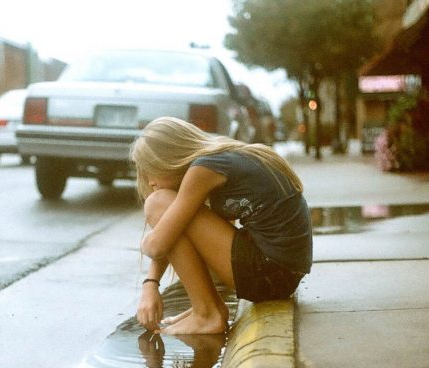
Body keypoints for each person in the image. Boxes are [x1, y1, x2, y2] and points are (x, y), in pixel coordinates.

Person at [132, 116, 312, 335]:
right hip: (280, 274)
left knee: (157, 202)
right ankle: (206, 308)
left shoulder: (203, 170)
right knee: (169, 213)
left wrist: (146, 245)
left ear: (170, 158)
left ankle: (207, 314)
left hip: (270, 272)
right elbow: (177, 230)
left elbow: (157, 245)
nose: (150, 182)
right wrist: (151, 282)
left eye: (151, 170)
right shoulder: (220, 158)